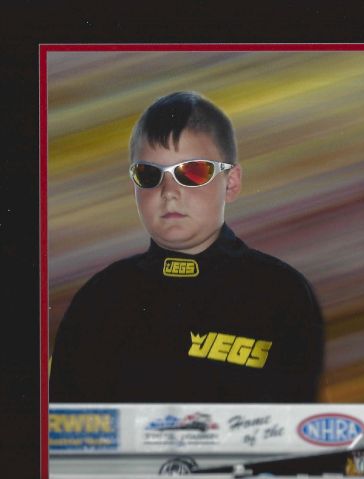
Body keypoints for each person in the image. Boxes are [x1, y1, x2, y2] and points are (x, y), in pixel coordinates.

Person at [49, 91, 324, 403]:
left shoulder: (281, 295)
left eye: (192, 172)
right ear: (134, 186)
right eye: (149, 174)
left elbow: (302, 423)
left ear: (231, 182)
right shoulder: (98, 301)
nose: (169, 192)